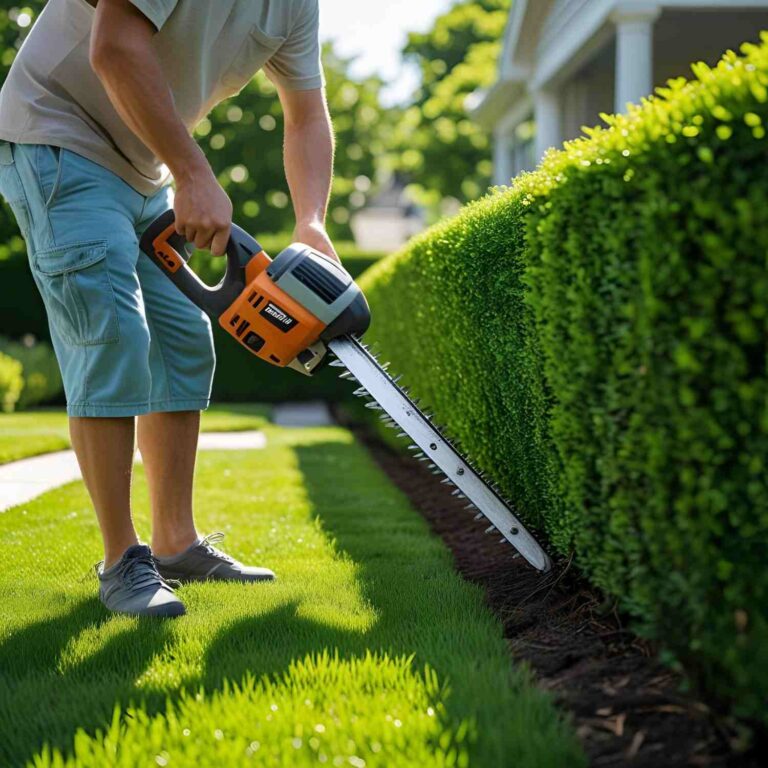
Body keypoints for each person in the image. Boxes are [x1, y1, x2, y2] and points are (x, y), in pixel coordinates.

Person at [0, 0, 337, 617]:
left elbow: (306, 115)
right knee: (113, 336)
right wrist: (194, 172)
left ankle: (176, 542)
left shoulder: (296, 7)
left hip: (144, 165)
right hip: (59, 132)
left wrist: (311, 223)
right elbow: (114, 48)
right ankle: (121, 559)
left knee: (183, 339)